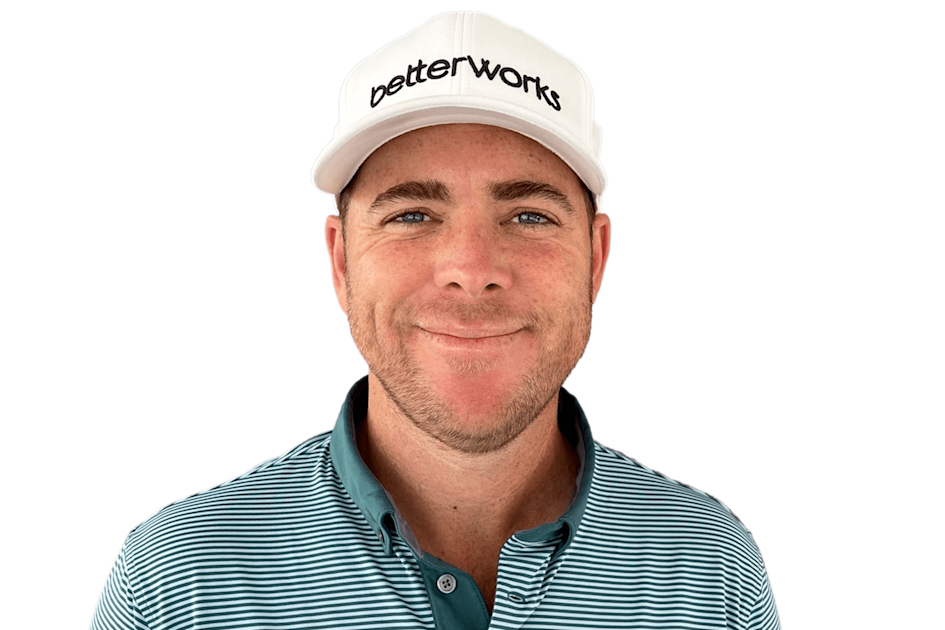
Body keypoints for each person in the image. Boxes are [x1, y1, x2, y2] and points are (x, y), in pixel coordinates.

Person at [91, 11, 780, 629]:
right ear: (340, 261)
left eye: (529, 215)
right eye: (412, 214)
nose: (471, 268)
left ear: (596, 259)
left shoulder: (709, 566)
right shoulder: (179, 579)